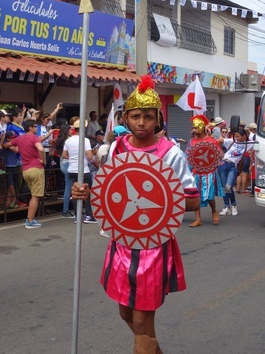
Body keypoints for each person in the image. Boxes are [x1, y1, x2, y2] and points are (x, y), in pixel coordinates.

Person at [71, 75, 200, 354]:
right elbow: (110, 193)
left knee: (142, 321)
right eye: (136, 116)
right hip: (121, 243)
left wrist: (160, 199)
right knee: (127, 315)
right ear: (126, 118)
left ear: (158, 121)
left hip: (153, 246)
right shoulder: (117, 148)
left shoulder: (171, 154)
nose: (142, 123)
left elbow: (192, 202)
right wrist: (86, 193)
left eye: (149, 117)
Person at [186, 115, 223, 227]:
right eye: (193, 127)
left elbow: (219, 155)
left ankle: (214, 211)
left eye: (196, 127)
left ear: (202, 127)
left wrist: (213, 162)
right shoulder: (191, 142)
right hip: (196, 172)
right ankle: (198, 219)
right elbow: (188, 155)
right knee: (195, 196)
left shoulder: (212, 141)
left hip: (209, 172)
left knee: (209, 195)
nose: (194, 130)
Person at [12, 119, 47, 229]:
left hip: (25, 169)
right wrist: (43, 160)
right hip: (36, 168)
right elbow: (41, 148)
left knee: (33, 194)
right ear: (31, 128)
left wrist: (14, 149)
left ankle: (30, 219)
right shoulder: (34, 138)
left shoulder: (19, 138)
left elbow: (7, 144)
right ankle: (30, 220)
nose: (37, 128)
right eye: (35, 127)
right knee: (35, 196)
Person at [62, 118, 97, 224]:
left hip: (72, 169)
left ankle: (77, 216)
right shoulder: (85, 140)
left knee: (75, 192)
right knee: (87, 192)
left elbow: (64, 155)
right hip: (84, 170)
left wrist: (73, 158)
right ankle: (89, 215)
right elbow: (90, 156)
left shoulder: (68, 140)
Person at [218, 128, 247, 216]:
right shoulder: (232, 141)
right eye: (235, 136)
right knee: (224, 188)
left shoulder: (248, 144)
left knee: (228, 187)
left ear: (244, 136)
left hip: (232, 166)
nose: (236, 138)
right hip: (223, 164)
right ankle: (226, 207)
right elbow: (220, 140)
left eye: (238, 136)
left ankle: (233, 205)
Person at [53, 123, 74, 218]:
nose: (71, 131)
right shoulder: (69, 140)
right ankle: (65, 210)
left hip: (63, 163)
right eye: (70, 129)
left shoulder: (61, 140)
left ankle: (67, 210)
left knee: (69, 187)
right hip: (68, 163)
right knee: (69, 187)